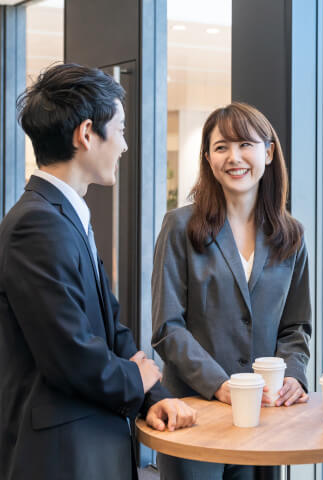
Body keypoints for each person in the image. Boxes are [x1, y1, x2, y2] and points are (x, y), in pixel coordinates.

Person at [0, 64, 197, 480]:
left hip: (89, 443)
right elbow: (69, 352)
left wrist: (152, 394)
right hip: (62, 457)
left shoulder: (65, 215)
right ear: (86, 133)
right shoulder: (36, 224)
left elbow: (109, 329)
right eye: (121, 129)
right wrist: (135, 379)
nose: (125, 145)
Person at [152, 102, 312, 479]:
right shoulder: (179, 227)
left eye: (245, 145)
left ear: (268, 152)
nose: (234, 157)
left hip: (266, 420)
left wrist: (293, 375)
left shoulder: (291, 236)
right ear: (208, 158)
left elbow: (297, 327)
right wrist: (221, 386)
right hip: (194, 414)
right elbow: (168, 327)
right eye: (221, 147)